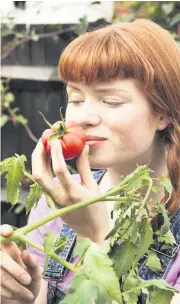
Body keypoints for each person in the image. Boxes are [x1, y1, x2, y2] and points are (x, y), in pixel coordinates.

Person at [1, 18, 180, 304]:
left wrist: (97, 237)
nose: (82, 118)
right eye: (76, 98)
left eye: (111, 102)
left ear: (164, 113)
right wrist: (20, 293)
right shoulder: (56, 200)